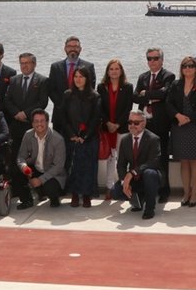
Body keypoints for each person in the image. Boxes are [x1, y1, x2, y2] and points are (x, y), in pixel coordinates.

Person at [166, 56, 196, 207]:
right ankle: (186, 192)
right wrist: (178, 116)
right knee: (184, 161)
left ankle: (195, 193)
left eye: (191, 66)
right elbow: (168, 103)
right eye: (185, 66)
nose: (188, 68)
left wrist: (189, 118)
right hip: (179, 127)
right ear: (181, 68)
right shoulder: (176, 84)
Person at [4, 52, 49, 196]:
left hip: (33, 126)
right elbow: (7, 100)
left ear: (34, 64)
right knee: (16, 158)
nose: (24, 66)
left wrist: (26, 113)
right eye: (22, 63)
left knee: (35, 159)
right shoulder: (14, 80)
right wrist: (17, 113)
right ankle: (18, 190)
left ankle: (39, 190)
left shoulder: (42, 80)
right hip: (16, 126)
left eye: (27, 63)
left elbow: (42, 102)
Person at [133, 47, 175, 202]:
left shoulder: (168, 76)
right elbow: (135, 97)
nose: (152, 61)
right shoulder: (142, 77)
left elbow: (164, 94)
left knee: (162, 158)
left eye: (156, 58)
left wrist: (146, 95)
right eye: (149, 58)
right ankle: (144, 190)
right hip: (144, 124)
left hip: (160, 125)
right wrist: (152, 97)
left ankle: (164, 191)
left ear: (162, 60)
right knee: (143, 158)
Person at [110, 109, 163, 220]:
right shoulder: (125, 140)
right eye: (130, 122)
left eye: (136, 123)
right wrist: (125, 182)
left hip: (149, 176)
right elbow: (121, 165)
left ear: (144, 123)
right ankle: (137, 201)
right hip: (134, 178)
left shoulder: (153, 139)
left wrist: (133, 172)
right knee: (115, 192)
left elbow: (154, 162)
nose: (132, 125)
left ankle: (150, 208)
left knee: (149, 173)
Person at [62, 66, 101, 208]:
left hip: (89, 138)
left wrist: (85, 135)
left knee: (88, 167)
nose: (78, 80)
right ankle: (74, 194)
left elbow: (95, 119)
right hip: (71, 137)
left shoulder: (94, 96)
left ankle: (86, 195)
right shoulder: (67, 94)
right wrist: (72, 134)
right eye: (76, 76)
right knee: (74, 167)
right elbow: (63, 117)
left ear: (87, 79)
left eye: (81, 77)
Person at [16, 109, 67, 209]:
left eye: (42, 121)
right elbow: (21, 157)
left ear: (47, 122)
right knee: (16, 171)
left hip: (52, 173)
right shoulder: (28, 135)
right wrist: (24, 167)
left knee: (51, 188)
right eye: (36, 121)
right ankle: (27, 200)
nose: (39, 124)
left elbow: (58, 166)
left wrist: (40, 180)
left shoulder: (58, 139)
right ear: (32, 123)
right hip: (36, 168)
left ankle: (54, 198)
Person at [97, 59, 133, 199]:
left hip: (122, 128)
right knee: (110, 159)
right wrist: (108, 123)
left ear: (121, 71)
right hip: (107, 129)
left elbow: (128, 108)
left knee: (123, 158)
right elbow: (99, 108)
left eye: (116, 69)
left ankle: (125, 186)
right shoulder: (101, 87)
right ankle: (109, 187)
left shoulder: (128, 87)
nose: (114, 71)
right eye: (111, 69)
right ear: (107, 71)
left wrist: (117, 124)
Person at [48, 36, 96, 136]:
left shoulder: (89, 67)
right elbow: (51, 90)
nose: (72, 49)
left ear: (80, 49)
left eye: (76, 46)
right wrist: (62, 105)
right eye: (70, 46)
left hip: (81, 116)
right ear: (65, 48)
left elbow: (90, 89)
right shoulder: (55, 67)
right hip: (59, 115)